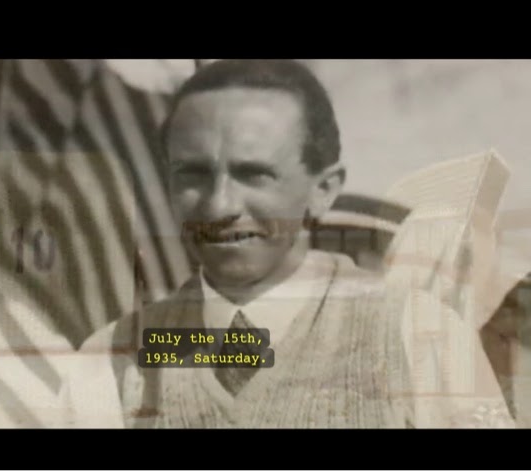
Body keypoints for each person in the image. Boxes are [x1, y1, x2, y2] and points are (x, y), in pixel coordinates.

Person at [59, 59, 513, 428]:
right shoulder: (114, 360)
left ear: (324, 189)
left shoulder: (415, 333)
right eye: (193, 175)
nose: (220, 205)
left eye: (254, 174)